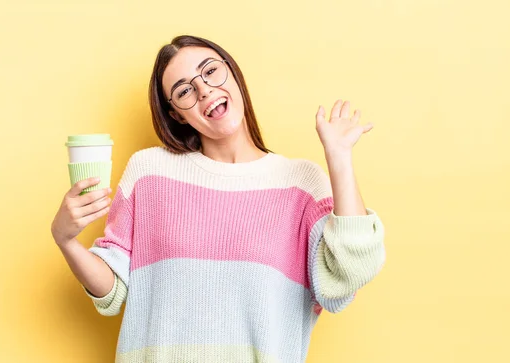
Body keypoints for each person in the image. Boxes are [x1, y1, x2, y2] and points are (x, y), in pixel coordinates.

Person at [51, 35, 386, 363]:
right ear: (177, 114)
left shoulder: (301, 185)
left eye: (210, 71)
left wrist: (339, 157)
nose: (204, 90)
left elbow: (349, 274)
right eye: (184, 91)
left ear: (233, 74)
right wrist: (66, 240)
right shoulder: (149, 172)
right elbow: (113, 289)